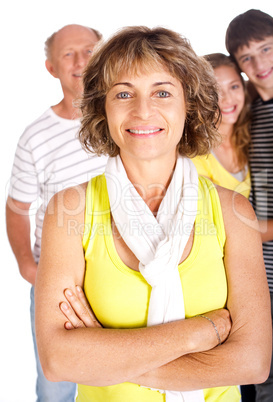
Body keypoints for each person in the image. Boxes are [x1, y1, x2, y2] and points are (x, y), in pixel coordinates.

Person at [35, 26, 271, 402]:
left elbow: (253, 362)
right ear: (102, 107)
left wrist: (105, 355)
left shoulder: (233, 211)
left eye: (162, 92)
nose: (143, 111)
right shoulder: (69, 211)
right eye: (124, 93)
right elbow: (58, 361)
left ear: (189, 105)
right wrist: (199, 333)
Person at [6, 24, 108, 402]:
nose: (80, 61)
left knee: (120, 385)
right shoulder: (36, 136)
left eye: (88, 50)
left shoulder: (124, 121)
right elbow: (17, 208)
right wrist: (27, 267)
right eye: (69, 53)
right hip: (57, 285)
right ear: (51, 67)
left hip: (120, 276)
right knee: (56, 390)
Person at [226, 9, 273, 402]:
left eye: (267, 49)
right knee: (258, 382)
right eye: (247, 58)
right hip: (259, 275)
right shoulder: (248, 115)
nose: (260, 64)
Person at [192, 53, 251, 198]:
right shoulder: (195, 153)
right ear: (202, 96)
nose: (228, 98)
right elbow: (221, 219)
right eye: (216, 91)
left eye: (234, 86)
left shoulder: (248, 138)